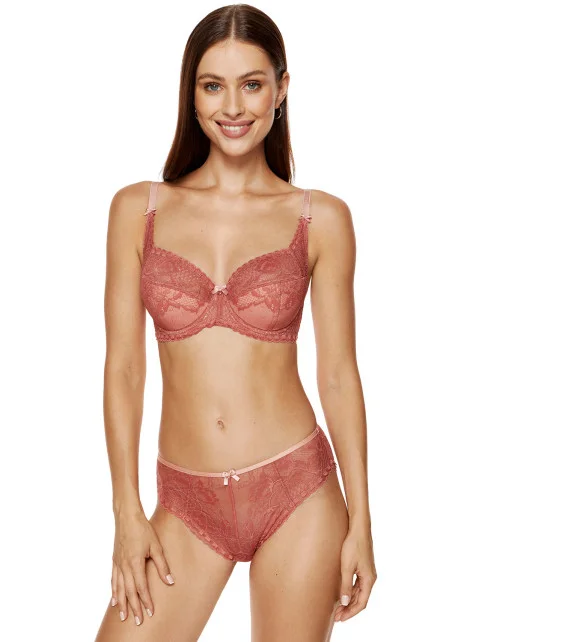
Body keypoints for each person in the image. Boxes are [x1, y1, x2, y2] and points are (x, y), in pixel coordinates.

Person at [95, 5, 375, 641]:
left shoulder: (322, 218)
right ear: (191, 93)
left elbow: (338, 374)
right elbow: (124, 369)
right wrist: (126, 511)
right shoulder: (137, 210)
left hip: (297, 490)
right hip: (186, 503)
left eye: (251, 84)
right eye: (212, 85)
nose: (233, 107)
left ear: (281, 88)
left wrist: (361, 519)